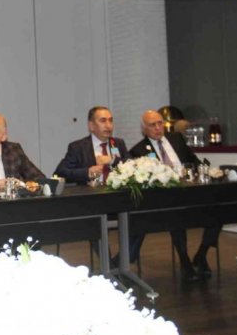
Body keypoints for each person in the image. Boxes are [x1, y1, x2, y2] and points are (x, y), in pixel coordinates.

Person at [130, 109, 221, 282]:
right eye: (152, 125)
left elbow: (193, 160)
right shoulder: (138, 150)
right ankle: (185, 261)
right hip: (166, 198)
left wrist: (207, 171)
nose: (158, 128)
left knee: (219, 210)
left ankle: (201, 254)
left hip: (191, 190)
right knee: (176, 214)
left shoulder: (176, 138)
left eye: (160, 123)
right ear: (144, 129)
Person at [53, 106, 142, 265]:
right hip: (92, 201)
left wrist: (113, 160)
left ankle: (121, 262)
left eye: (110, 121)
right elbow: (60, 172)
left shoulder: (118, 143)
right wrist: (86, 172)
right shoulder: (78, 147)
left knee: (142, 217)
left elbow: (132, 165)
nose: (108, 125)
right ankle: (110, 267)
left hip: (119, 199)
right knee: (95, 220)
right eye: (103, 121)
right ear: (91, 126)